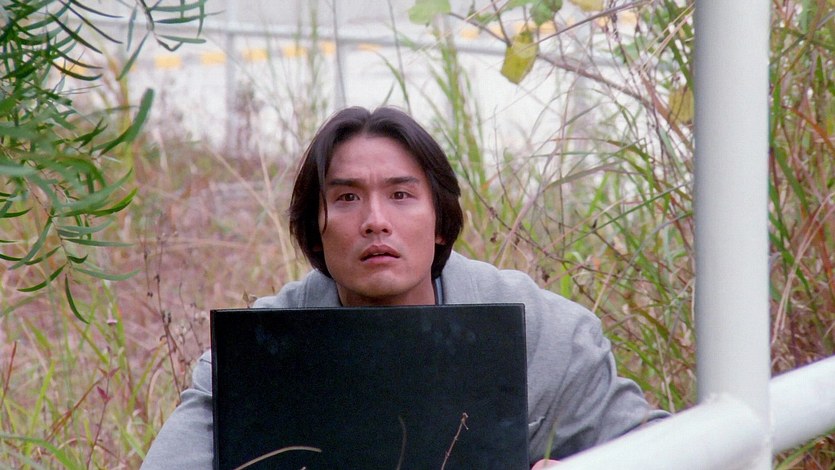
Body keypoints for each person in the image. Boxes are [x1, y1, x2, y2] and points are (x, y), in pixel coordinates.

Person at [141, 106, 668, 468]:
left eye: (400, 195)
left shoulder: (545, 335)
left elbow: (667, 449)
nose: (375, 221)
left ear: (440, 221)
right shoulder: (259, 353)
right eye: (346, 198)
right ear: (314, 231)